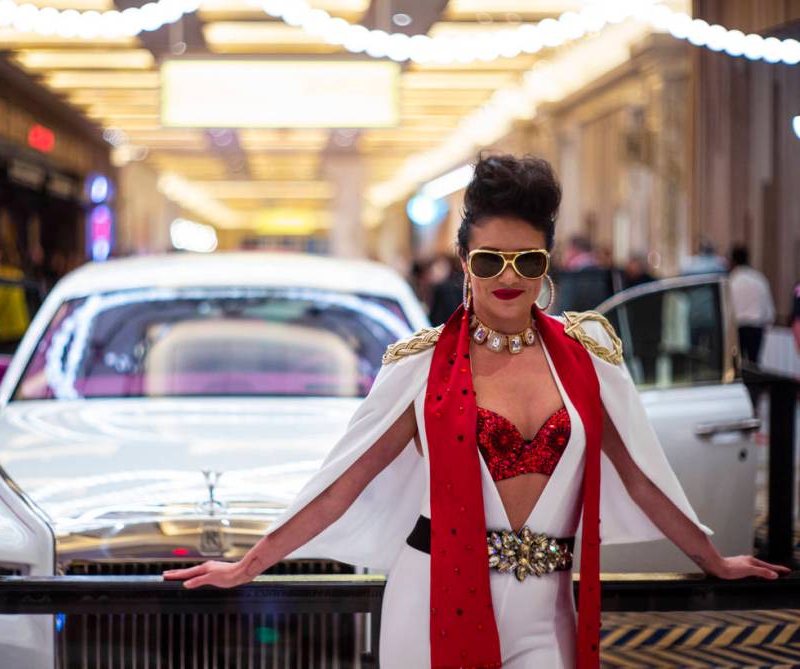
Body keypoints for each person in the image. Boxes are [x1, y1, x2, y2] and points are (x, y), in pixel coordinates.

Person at [163, 154, 790, 668]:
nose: (508, 277)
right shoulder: (419, 365)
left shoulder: (588, 358)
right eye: (491, 260)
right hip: (430, 602)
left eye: (528, 261)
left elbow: (642, 478)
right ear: (466, 263)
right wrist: (248, 565)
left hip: (545, 612)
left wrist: (714, 559)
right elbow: (340, 484)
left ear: (547, 266)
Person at [727, 245, 776, 364]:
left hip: (737, 328)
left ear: (732, 261)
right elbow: (768, 307)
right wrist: (768, 323)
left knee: (737, 363)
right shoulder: (759, 279)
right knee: (754, 362)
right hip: (755, 327)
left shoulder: (731, 281)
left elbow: (727, 308)